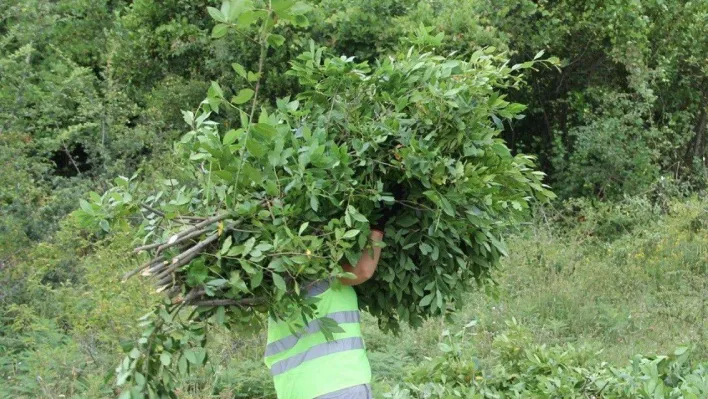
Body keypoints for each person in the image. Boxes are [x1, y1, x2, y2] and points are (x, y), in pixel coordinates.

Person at [263, 226, 385, 399]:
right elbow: (363, 270)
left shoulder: (277, 292)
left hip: (292, 391)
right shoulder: (319, 279)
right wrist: (377, 229)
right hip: (339, 385)